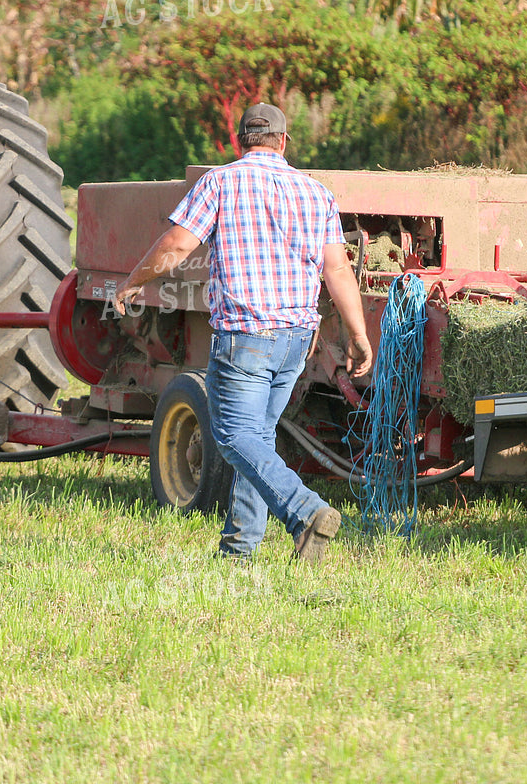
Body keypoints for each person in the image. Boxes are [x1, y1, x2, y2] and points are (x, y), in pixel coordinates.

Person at [113, 103, 374, 563]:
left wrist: (134, 281)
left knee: (234, 436)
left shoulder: (220, 181)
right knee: (259, 439)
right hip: (297, 340)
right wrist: (357, 334)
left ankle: (305, 510)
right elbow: (337, 270)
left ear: (241, 140)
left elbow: (177, 244)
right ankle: (239, 547)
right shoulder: (315, 193)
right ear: (284, 141)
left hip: (245, 338)